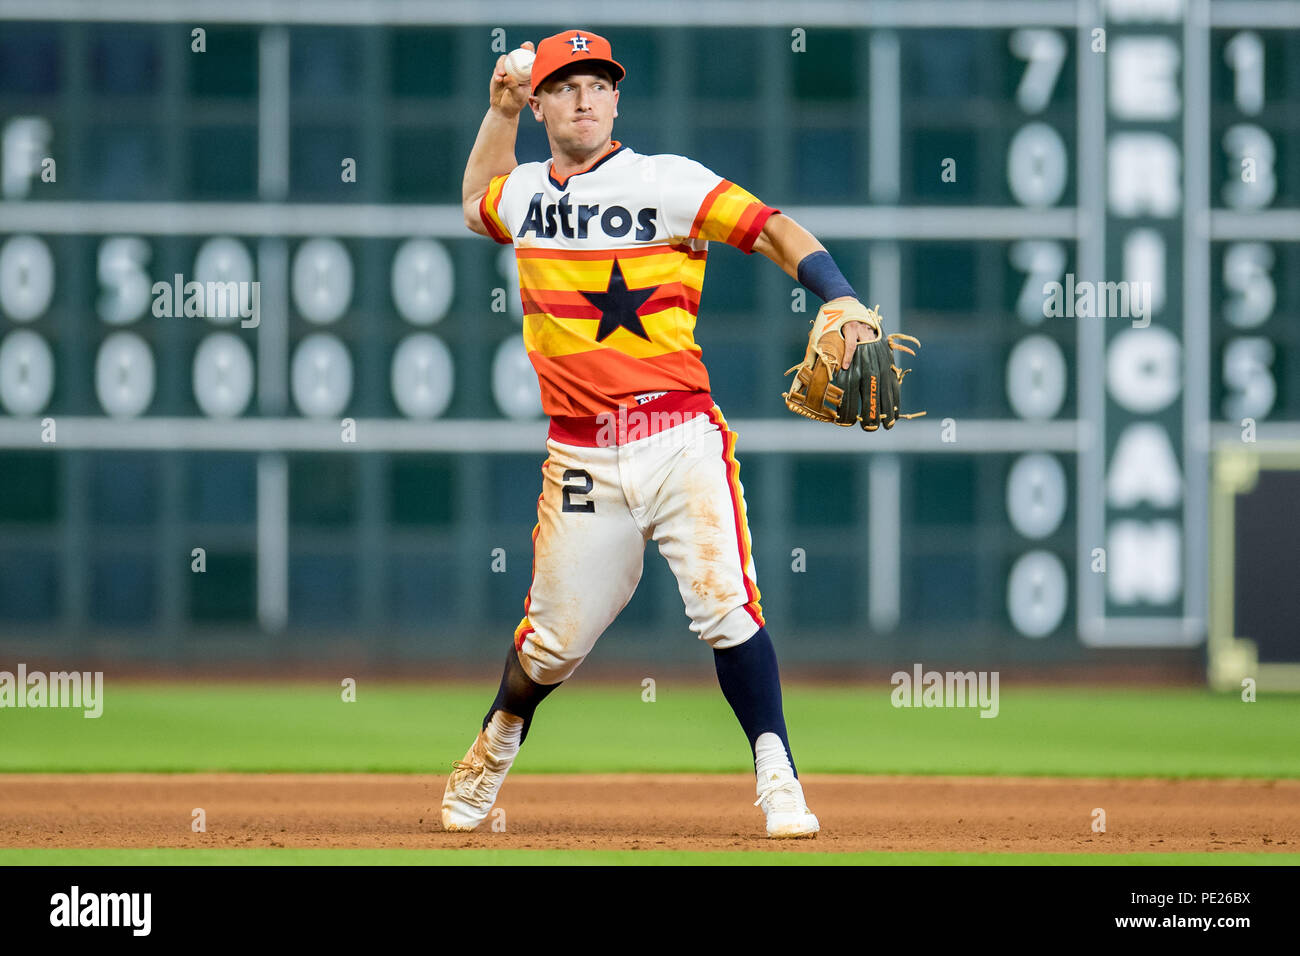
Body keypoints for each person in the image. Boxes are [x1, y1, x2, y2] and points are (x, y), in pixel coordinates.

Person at [445, 29, 880, 839]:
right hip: (579, 452)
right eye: (566, 85)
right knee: (551, 646)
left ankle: (777, 774)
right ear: (542, 101)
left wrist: (839, 295)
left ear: (616, 97)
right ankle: (499, 737)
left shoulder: (665, 181)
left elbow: (773, 228)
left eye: (599, 83)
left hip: (679, 435)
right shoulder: (526, 194)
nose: (585, 97)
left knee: (727, 606)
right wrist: (496, 111)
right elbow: (475, 203)